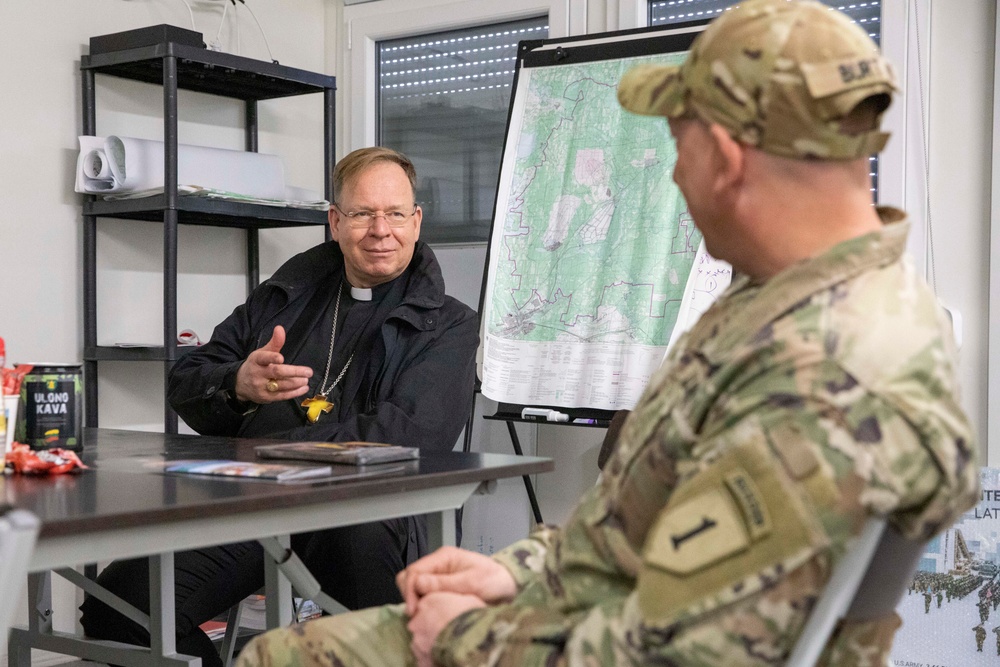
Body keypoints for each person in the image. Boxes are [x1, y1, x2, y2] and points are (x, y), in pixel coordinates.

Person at [237, 1, 980, 665]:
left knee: (281, 655)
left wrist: (468, 634)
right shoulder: (773, 305)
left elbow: (697, 645)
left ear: (725, 159)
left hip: (606, 640)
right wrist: (515, 571)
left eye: (677, 151)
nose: (676, 182)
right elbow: (648, 530)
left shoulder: (835, 363)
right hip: (588, 607)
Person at [78, 147, 479, 667]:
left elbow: (407, 435)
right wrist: (238, 384)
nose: (381, 229)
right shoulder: (287, 295)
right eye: (361, 214)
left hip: (367, 512)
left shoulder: (449, 324)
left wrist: (271, 448)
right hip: (257, 503)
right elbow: (187, 381)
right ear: (335, 222)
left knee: (360, 629)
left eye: (396, 213)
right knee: (121, 608)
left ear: (416, 221)